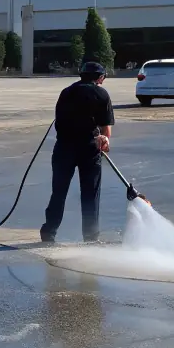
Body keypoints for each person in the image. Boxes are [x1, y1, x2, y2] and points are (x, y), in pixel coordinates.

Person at [40, 58, 114, 245]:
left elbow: (59, 121)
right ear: (100, 78)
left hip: (63, 147)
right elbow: (106, 130)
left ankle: (49, 232)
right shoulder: (102, 94)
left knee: (59, 191)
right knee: (90, 193)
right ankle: (90, 237)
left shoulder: (66, 92)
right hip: (89, 148)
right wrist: (104, 141)